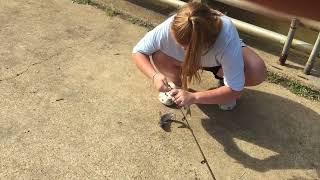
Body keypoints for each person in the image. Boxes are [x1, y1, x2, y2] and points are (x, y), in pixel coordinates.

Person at [132, 2, 266, 110]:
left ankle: (222, 85)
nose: (182, 49)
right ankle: (176, 87)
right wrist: (154, 76)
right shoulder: (173, 25)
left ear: (207, 42)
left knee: (256, 70)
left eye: (186, 47)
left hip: (218, 63)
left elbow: (236, 91)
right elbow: (138, 51)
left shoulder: (227, 37)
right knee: (159, 55)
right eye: (178, 43)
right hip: (189, 60)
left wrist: (195, 97)